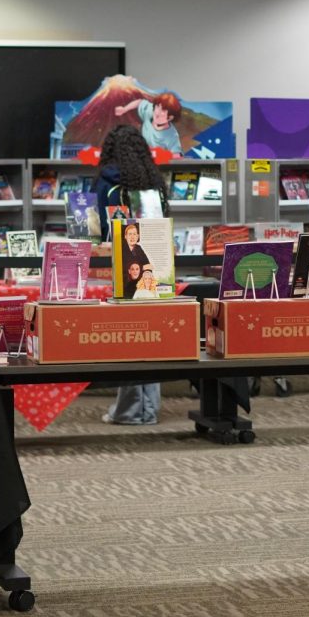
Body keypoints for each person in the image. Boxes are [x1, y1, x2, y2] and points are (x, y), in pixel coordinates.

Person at [95, 124, 170, 426]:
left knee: (131, 336)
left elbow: (101, 227)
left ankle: (130, 410)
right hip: (158, 262)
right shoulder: (153, 181)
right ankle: (147, 407)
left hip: (124, 265)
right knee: (152, 337)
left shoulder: (108, 182)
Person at [115, 91, 183, 155]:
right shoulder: (150, 112)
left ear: (170, 117)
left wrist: (160, 155)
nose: (157, 112)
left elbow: (177, 155)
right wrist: (124, 109)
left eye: (163, 110)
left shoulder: (172, 136)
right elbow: (139, 102)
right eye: (157, 107)